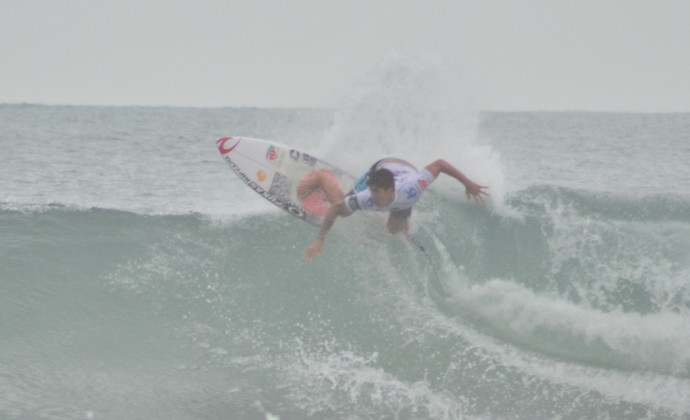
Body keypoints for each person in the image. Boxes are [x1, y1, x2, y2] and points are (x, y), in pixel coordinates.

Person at [301, 158, 489, 262]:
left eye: (377, 192)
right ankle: (320, 179)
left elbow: (439, 164)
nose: (372, 196)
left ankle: (398, 221)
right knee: (343, 207)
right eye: (371, 190)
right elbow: (334, 210)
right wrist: (320, 239)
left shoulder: (413, 188)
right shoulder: (366, 197)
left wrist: (468, 183)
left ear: (390, 191)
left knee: (393, 230)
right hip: (383, 167)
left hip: (405, 172)